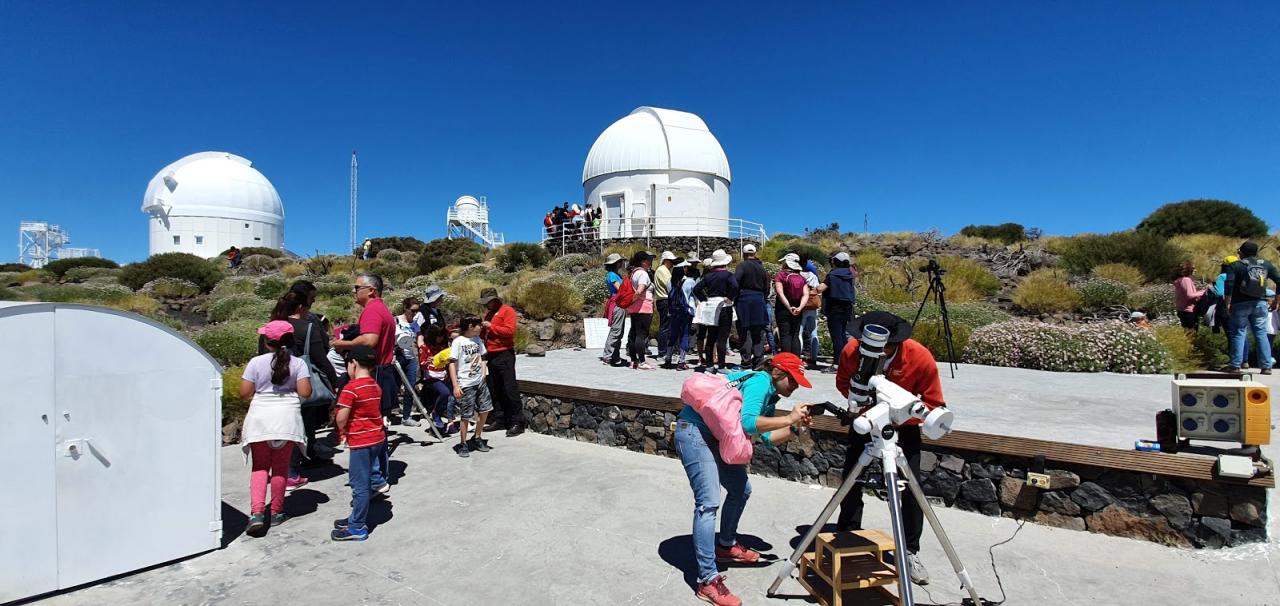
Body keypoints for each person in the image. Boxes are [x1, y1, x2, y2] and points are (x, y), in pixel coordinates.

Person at [674, 353, 813, 606]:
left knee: (740, 489)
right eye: (793, 380)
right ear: (778, 372)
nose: (795, 386)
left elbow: (767, 438)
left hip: (717, 436)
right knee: (708, 503)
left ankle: (726, 546)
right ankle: (707, 580)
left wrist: (794, 428)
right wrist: (789, 418)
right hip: (694, 431)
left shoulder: (770, 394)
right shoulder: (761, 380)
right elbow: (748, 424)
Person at [834, 311, 945, 585]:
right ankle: (847, 535)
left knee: (912, 488)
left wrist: (898, 416)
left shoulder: (920, 358)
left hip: (904, 427)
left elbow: (933, 402)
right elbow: (843, 382)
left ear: (894, 343)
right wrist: (861, 406)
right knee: (851, 479)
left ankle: (909, 550)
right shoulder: (852, 351)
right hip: (865, 419)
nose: (870, 350)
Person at [239, 320, 313, 535]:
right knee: (280, 468)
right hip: (286, 419)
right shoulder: (298, 364)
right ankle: (277, 511)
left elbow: (244, 392)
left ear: (266, 341)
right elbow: (305, 392)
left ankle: (257, 513)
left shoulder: (256, 362)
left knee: (260, 467)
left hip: (260, 418)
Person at [333, 273, 396, 497]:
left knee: (366, 425)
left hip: (373, 371)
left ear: (371, 290)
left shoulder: (372, 310)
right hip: (383, 371)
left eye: (356, 287)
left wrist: (342, 343)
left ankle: (374, 480)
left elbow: (370, 340)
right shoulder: (382, 309)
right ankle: (378, 478)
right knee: (377, 425)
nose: (353, 291)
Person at [331, 345, 385, 541]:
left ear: (353, 364)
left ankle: (357, 527)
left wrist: (342, 430)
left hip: (361, 441)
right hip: (377, 438)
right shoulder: (375, 385)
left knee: (359, 484)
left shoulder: (351, 388)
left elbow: (341, 418)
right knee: (365, 480)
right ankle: (356, 517)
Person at [1224, 240, 1280, 374]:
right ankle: (1266, 366)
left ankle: (1235, 365)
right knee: (1261, 333)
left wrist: (1227, 303)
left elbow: (1229, 285)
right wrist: (1276, 300)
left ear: (1241, 252)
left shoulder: (1236, 265)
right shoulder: (1266, 265)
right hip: (1260, 303)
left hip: (1240, 304)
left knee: (1239, 332)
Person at [481, 287, 527, 436]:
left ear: (495, 300)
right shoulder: (488, 314)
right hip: (491, 354)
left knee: (509, 388)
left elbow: (509, 331)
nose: (486, 305)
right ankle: (500, 418)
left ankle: (517, 422)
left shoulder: (507, 311)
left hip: (504, 353)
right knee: (494, 388)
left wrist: (491, 327)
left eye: (488, 302)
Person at [451, 317, 493, 457]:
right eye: (478, 325)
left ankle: (477, 436)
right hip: (466, 383)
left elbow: (483, 356)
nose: (481, 328)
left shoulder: (478, 340)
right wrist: (455, 385)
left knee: (485, 409)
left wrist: (483, 373)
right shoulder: (458, 341)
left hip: (479, 381)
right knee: (466, 415)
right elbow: (452, 363)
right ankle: (463, 443)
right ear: (470, 326)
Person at [693, 250, 739, 371]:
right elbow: (735, 286)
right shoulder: (728, 275)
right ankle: (722, 365)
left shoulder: (708, 276)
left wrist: (704, 299)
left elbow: (696, 289)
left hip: (710, 306)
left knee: (711, 337)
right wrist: (729, 298)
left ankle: (709, 365)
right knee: (722, 338)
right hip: (724, 306)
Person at [733, 243, 770, 369]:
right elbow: (767, 287)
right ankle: (759, 359)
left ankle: (746, 361)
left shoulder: (742, 266)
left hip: (744, 300)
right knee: (758, 331)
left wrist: (733, 297)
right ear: (755, 254)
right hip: (759, 300)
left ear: (743, 254)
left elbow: (735, 282)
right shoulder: (762, 268)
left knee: (744, 331)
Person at [823, 252, 856, 373]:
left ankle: (837, 364)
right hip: (847, 308)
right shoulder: (850, 274)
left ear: (835, 262)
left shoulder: (833, 275)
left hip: (835, 308)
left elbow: (821, 288)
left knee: (836, 337)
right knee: (843, 336)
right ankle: (844, 362)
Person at [420, 324, 456, 434]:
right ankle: (435, 414)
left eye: (442, 336)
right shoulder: (424, 347)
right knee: (444, 393)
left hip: (443, 375)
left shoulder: (444, 346)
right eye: (438, 336)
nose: (440, 338)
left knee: (448, 397)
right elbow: (421, 363)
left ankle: (440, 421)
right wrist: (427, 362)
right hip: (431, 377)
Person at [625, 251, 656, 370]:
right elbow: (640, 290)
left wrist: (630, 303)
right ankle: (642, 361)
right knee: (641, 335)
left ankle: (634, 361)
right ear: (643, 261)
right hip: (643, 307)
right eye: (649, 260)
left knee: (633, 334)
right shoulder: (642, 274)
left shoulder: (633, 272)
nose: (650, 262)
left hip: (634, 308)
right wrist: (635, 298)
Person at [774, 253, 809, 355]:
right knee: (795, 334)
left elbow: (780, 293)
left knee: (785, 335)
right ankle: (796, 360)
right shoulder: (801, 277)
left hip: (783, 308)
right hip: (798, 308)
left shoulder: (781, 275)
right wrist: (799, 308)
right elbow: (806, 294)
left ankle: (786, 360)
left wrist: (789, 307)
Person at [664, 260, 697, 370]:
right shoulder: (690, 282)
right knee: (685, 335)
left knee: (672, 335)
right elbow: (695, 296)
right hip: (685, 311)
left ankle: (668, 358)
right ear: (683, 269)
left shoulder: (669, 281)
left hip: (674, 311)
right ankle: (681, 361)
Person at [395, 297, 422, 426]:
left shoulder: (415, 325)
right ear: (405, 308)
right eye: (413, 310)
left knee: (410, 387)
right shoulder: (396, 321)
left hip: (411, 358)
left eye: (418, 311)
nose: (415, 313)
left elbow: (419, 340)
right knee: (393, 387)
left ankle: (406, 416)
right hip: (398, 357)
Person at [601, 253, 629, 367]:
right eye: (620, 261)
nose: (622, 263)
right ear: (616, 263)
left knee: (619, 331)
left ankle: (614, 355)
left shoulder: (615, 274)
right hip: (617, 304)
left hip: (619, 303)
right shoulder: (612, 275)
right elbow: (620, 289)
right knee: (616, 330)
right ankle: (608, 355)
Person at [799, 256, 824, 370]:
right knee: (814, 333)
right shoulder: (813, 276)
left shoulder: (798, 275)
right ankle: (814, 358)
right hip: (813, 307)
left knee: (799, 333)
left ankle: (798, 357)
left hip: (802, 306)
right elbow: (818, 289)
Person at [654, 251, 677, 362]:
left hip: (663, 300)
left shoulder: (663, 270)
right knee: (665, 327)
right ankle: (662, 352)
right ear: (666, 260)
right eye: (671, 261)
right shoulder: (663, 270)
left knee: (666, 326)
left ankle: (665, 351)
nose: (673, 263)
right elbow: (670, 285)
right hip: (664, 300)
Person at [1173, 261, 1206, 330]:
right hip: (1189, 311)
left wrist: (1200, 291)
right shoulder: (1186, 280)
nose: (1195, 270)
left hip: (1182, 309)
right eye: (1193, 268)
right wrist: (1204, 291)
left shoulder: (1179, 280)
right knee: (1192, 333)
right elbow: (1189, 295)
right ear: (1188, 269)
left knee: (1187, 332)